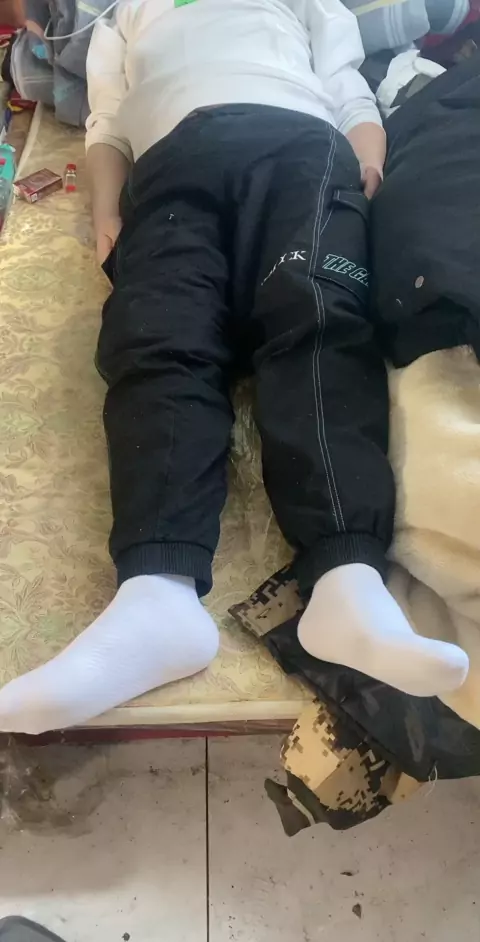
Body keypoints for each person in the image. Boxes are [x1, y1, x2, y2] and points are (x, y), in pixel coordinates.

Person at [0, 0, 469, 736]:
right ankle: (157, 595)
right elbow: (107, 123)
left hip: (301, 149)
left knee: (317, 320)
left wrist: (367, 161)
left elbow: (347, 84)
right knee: (156, 337)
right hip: (170, 167)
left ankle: (346, 578)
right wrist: (105, 213)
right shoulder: (123, 16)